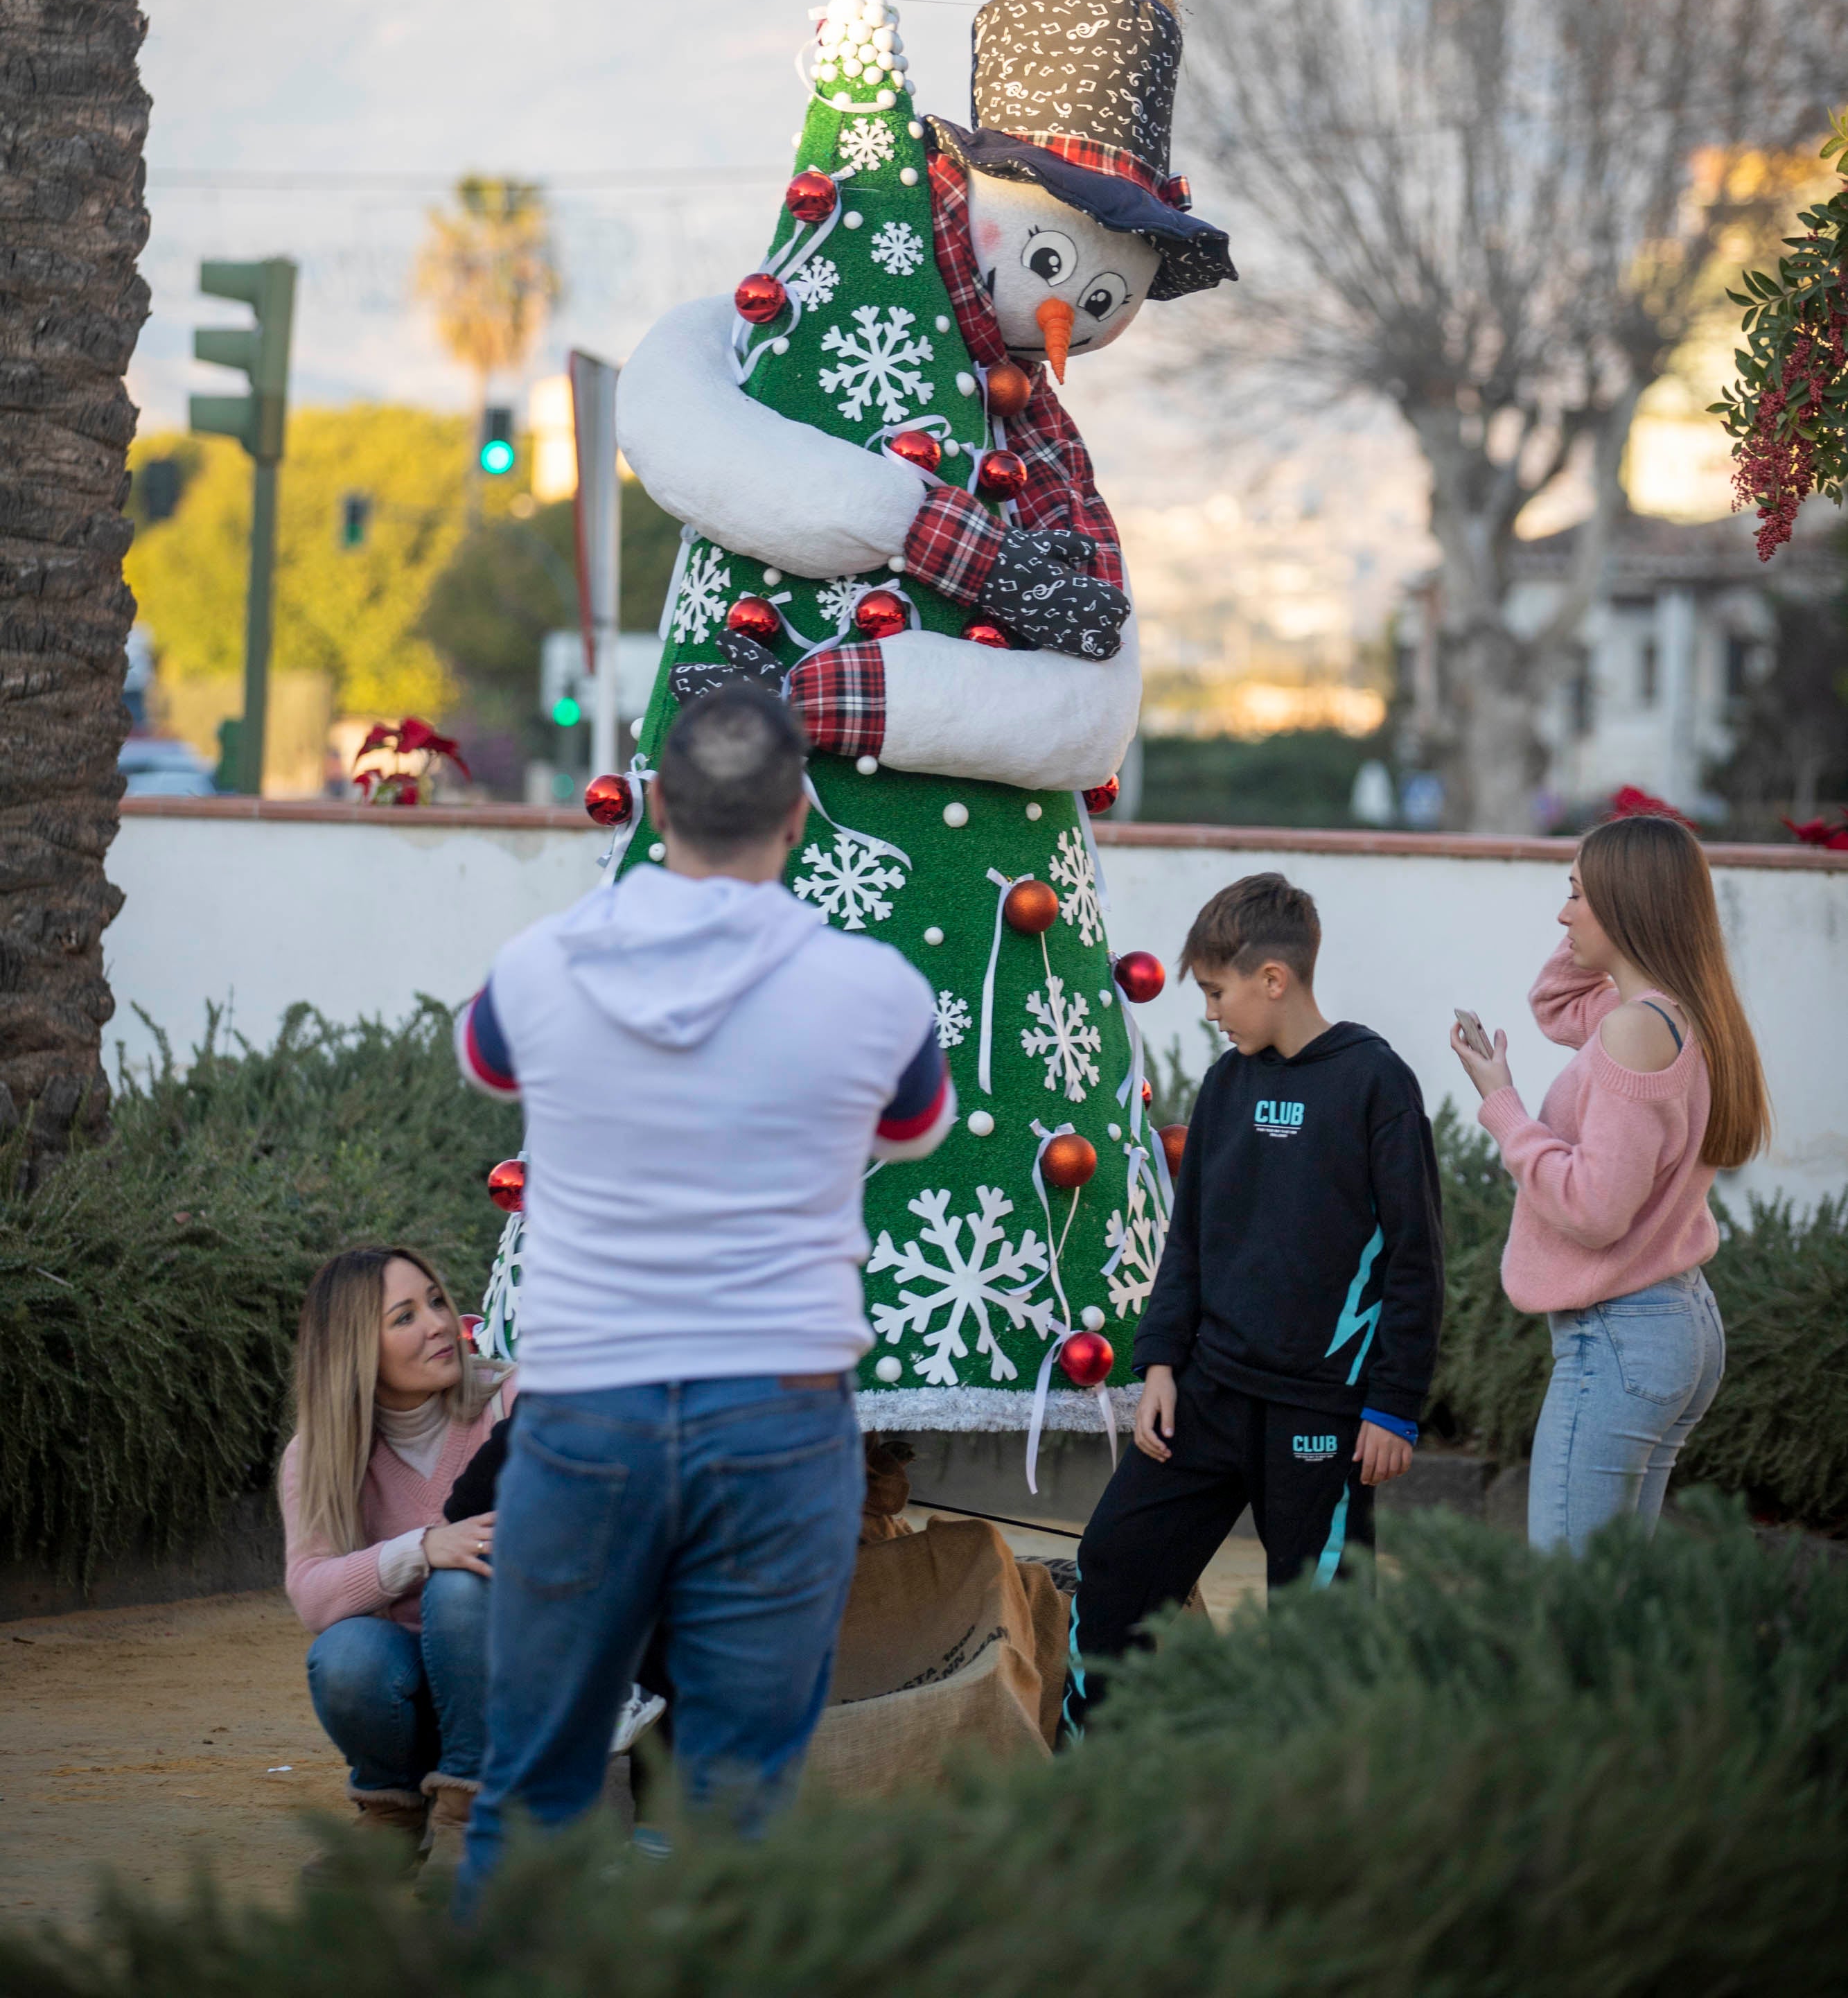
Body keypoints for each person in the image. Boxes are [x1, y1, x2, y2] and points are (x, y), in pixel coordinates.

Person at [452, 682, 953, 1895]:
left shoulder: (540, 966)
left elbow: (481, 1057)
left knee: (531, 1792)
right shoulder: (876, 991)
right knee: (734, 1819)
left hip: (583, 1416)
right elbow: (917, 1125)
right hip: (778, 1421)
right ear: (796, 819)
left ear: (661, 804)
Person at [1069, 872, 1444, 1724]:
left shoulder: (1377, 1084)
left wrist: (1393, 1405)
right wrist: (1160, 1359)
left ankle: (1318, 1812)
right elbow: (1190, 1233)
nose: (1209, 1011)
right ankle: (1095, 1771)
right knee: (1116, 1561)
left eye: (1215, 990)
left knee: (1320, 1628)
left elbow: (1417, 1262)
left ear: (1273, 980)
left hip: (1324, 1412)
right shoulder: (1226, 1084)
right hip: (1207, 1396)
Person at [1449, 811, 1768, 1555]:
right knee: (1611, 1594)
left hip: (1622, 1335)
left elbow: (1594, 1210)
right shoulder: (1677, 1014)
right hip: (1672, 1322)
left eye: (1578, 895)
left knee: (1574, 1600)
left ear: (1629, 904)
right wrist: (1602, 934)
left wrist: (1504, 1108)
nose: (1562, 915)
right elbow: (1555, 1003)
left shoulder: (1634, 1030)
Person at [279, 1246, 512, 1861]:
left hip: (514, 1678)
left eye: (437, 1300)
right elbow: (311, 1591)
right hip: (413, 1699)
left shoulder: (509, 1400)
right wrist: (422, 1549)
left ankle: (473, 1817)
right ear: (357, 1349)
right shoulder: (319, 1454)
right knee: (344, 1655)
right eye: (404, 1317)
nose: (439, 1324)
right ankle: (393, 1813)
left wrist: (449, 1561)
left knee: (462, 1586)